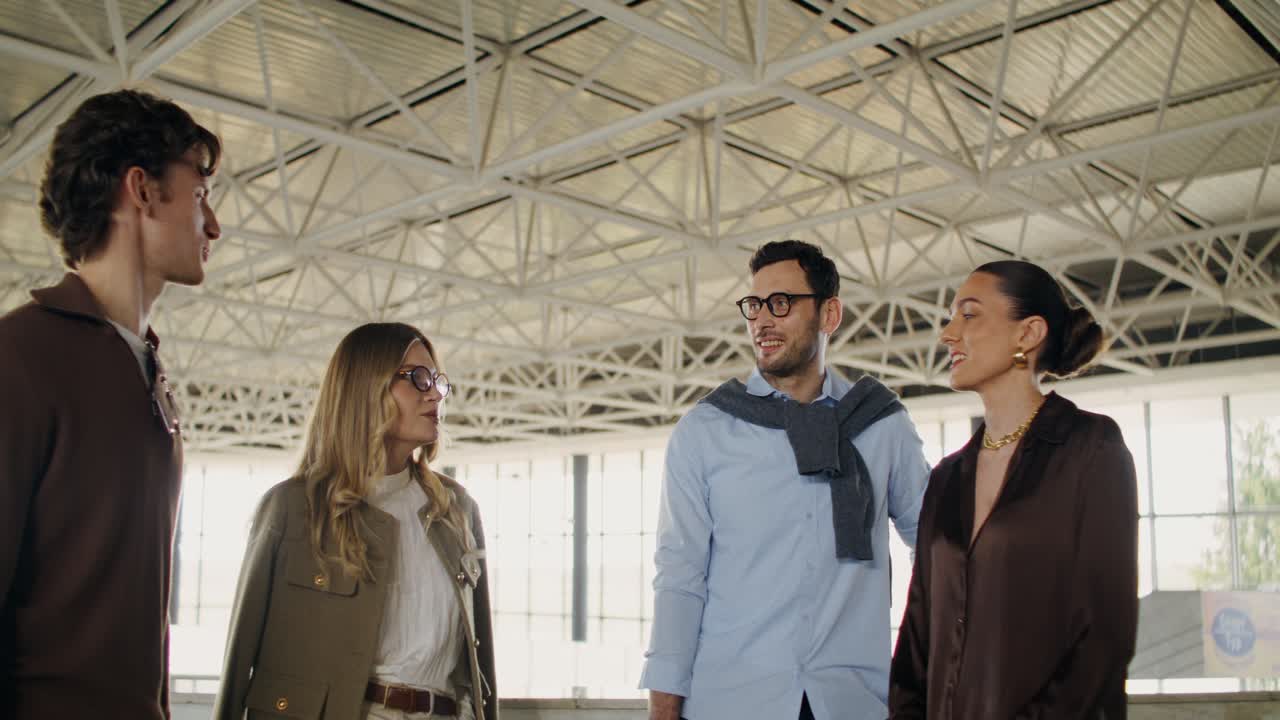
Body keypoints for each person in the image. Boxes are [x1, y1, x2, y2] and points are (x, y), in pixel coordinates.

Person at [641, 240, 931, 720]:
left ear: (829, 314)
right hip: (732, 701)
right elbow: (680, 575)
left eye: (781, 303)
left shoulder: (881, 425)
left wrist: (925, 661)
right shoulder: (706, 431)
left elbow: (935, 546)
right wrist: (663, 706)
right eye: (754, 305)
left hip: (853, 702)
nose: (762, 321)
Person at [0, 89, 221, 719]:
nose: (213, 225)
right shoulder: (20, 358)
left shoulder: (145, 369)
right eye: (200, 195)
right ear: (142, 190)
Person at [888, 260, 1139, 719]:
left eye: (969, 314)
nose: (948, 334)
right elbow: (917, 639)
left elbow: (1103, 637)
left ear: (1028, 333)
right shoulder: (946, 478)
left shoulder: (1090, 449)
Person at [214, 322, 497, 720]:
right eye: (418, 378)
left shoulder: (457, 508)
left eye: (437, 381)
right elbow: (240, 655)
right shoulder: (292, 508)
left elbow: (479, 665)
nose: (435, 393)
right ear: (365, 386)